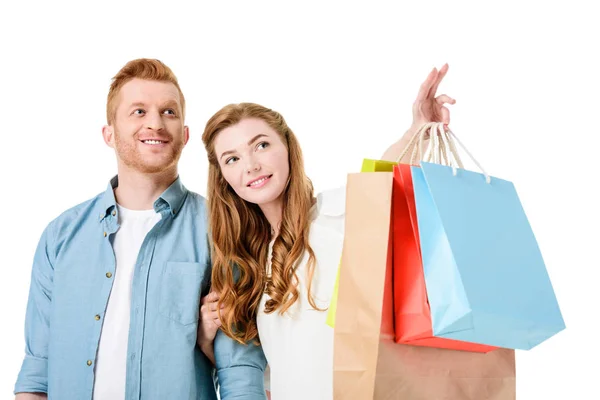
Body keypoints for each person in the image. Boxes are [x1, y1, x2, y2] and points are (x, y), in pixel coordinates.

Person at [14, 58, 267, 400]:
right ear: (109, 134)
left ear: (185, 134)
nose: (155, 124)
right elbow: (37, 372)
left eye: (168, 112)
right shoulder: (60, 237)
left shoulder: (221, 230)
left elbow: (240, 373)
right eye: (138, 112)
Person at [196, 65, 455, 399]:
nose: (250, 165)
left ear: (287, 146)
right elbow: (262, 376)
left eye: (260, 145)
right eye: (231, 159)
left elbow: (386, 180)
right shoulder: (249, 263)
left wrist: (417, 129)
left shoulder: (335, 214)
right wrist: (206, 339)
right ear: (224, 178)